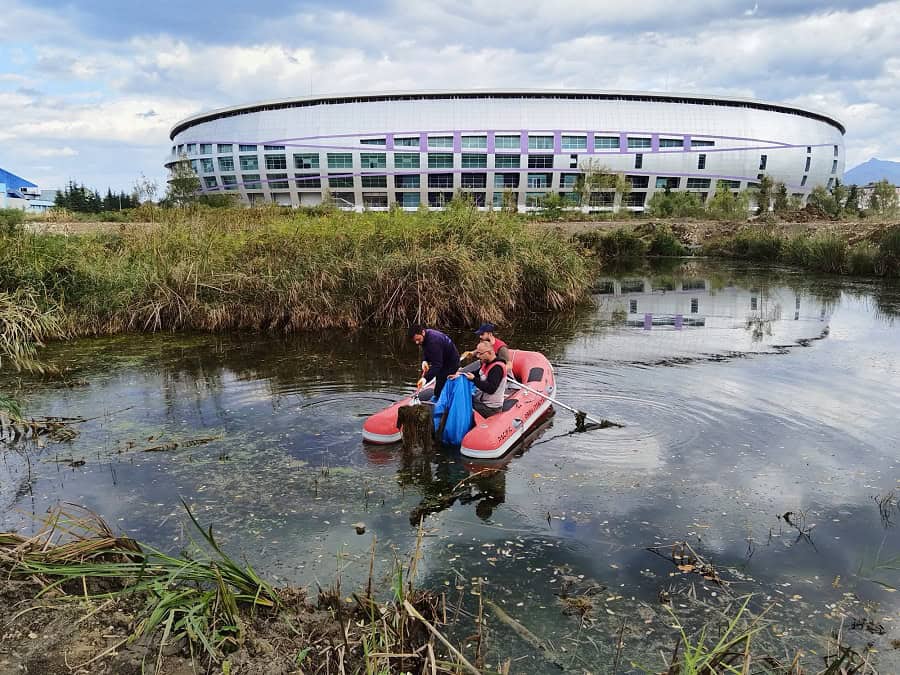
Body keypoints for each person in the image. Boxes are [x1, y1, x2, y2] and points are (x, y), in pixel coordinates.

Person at [450, 342, 507, 418]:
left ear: (489, 353)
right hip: (482, 402)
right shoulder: (486, 363)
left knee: (459, 404)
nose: (478, 356)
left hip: (490, 408)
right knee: (457, 398)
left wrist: (474, 379)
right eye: (477, 353)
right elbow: (477, 373)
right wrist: (460, 374)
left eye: (480, 354)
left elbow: (491, 389)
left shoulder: (497, 368)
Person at [407, 325, 460, 398]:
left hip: (450, 364)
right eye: (415, 340)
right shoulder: (426, 334)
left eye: (418, 339)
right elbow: (427, 350)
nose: (417, 342)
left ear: (422, 332)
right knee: (438, 378)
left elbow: (437, 365)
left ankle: (442, 401)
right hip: (443, 359)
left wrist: (425, 378)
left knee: (439, 389)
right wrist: (425, 360)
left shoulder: (433, 341)